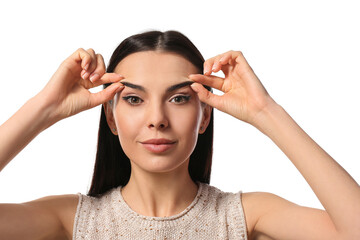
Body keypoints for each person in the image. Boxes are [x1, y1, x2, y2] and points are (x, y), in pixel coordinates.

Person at [0, 30, 359, 240]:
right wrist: (44, 108)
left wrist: (266, 113)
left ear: (204, 117)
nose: (157, 119)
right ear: (111, 118)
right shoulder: (72, 220)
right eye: (134, 99)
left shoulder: (245, 217)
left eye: (179, 98)